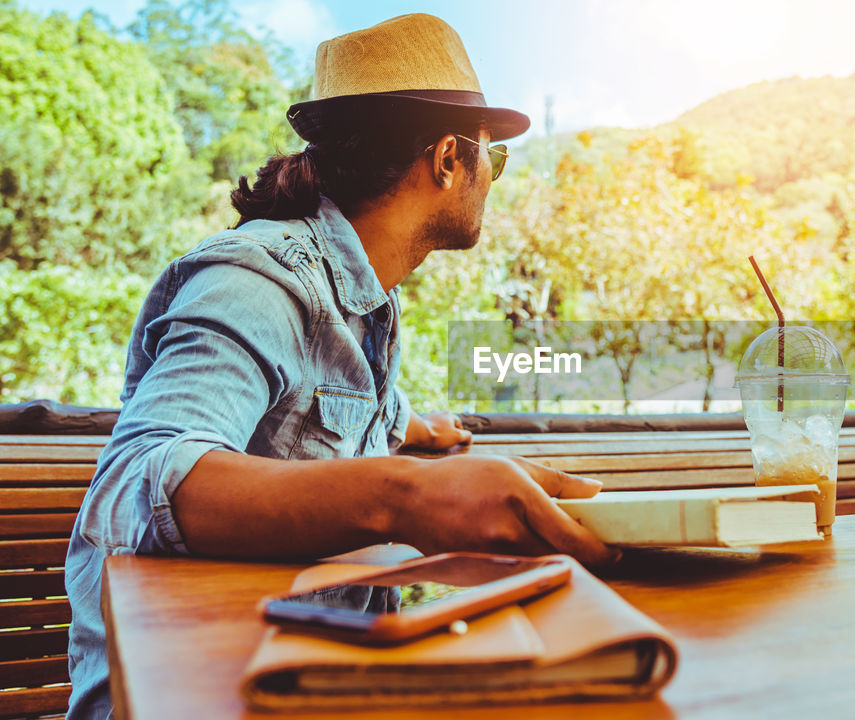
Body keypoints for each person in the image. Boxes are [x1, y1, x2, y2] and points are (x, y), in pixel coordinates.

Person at [63, 14, 615, 719]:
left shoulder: (367, 307)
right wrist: (409, 495)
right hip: (190, 689)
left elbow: (329, 404)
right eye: (493, 158)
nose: (492, 178)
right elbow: (138, 480)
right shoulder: (259, 280)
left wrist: (418, 430)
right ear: (448, 158)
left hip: (312, 678)